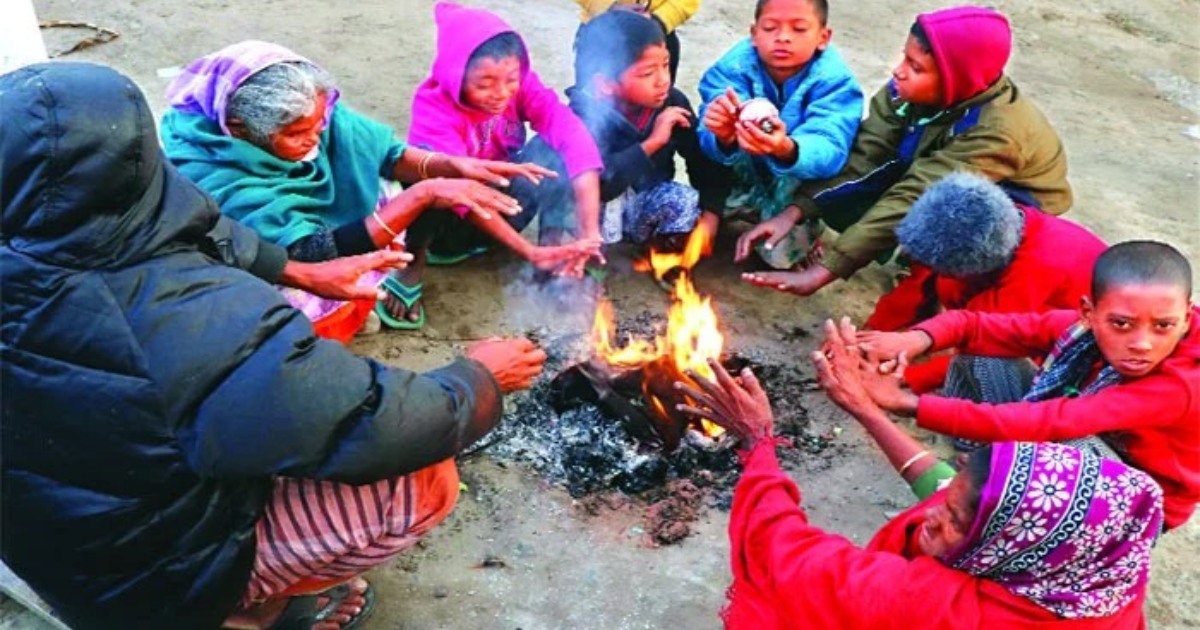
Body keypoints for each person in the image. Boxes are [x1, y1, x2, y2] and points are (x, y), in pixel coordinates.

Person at [1, 61, 548, 630]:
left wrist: (300, 272)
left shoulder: (49, 229)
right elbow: (368, 423)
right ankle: (248, 608)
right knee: (424, 481)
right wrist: (477, 380)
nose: (314, 138)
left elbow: (199, 226)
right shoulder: (188, 319)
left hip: (46, 536)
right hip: (143, 586)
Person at [673, 356, 1163, 628]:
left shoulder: (934, 608)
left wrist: (759, 444)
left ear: (1009, 549)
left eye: (952, 521)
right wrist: (866, 410)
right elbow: (947, 488)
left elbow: (779, 553)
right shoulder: (1097, 581)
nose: (930, 516)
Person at [161, 40, 596, 335]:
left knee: (410, 192)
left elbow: (387, 154)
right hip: (274, 254)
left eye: (319, 124)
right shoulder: (211, 167)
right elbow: (310, 251)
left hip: (327, 229)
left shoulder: (310, 106)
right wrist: (424, 193)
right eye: (296, 135)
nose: (314, 139)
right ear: (238, 128)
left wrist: (449, 165)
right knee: (288, 309)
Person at [854, 240, 1199, 530]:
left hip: (1142, 506)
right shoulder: (1080, 329)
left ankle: (1003, 504)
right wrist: (916, 339)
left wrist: (910, 404)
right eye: (1122, 324)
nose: (1142, 343)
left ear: (1185, 319)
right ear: (1088, 312)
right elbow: (976, 327)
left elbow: (1052, 422)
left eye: (1163, 326)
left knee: (1062, 443)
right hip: (1088, 440)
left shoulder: (1183, 384)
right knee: (978, 360)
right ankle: (987, 477)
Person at [739, 6, 1072, 297]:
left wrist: (828, 269)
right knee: (851, 179)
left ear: (956, 80)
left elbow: (914, 196)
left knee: (952, 220)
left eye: (916, 67)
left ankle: (940, 288)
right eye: (904, 57)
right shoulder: (904, 92)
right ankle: (906, 257)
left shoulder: (997, 133)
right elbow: (866, 157)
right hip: (930, 170)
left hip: (1014, 207)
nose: (899, 71)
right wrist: (796, 210)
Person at [408, 2, 605, 289]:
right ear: (456, 74)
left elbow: (571, 134)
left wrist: (590, 232)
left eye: (511, 80)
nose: (501, 94)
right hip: (448, 226)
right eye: (484, 83)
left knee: (552, 150)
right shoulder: (433, 107)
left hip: (503, 205)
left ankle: (554, 247)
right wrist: (527, 251)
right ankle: (414, 260)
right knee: (429, 176)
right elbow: (461, 191)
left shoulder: (520, 85)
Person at [863, 172, 1107, 393]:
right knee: (947, 285)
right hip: (1012, 283)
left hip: (1083, 352)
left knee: (983, 365)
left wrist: (904, 377)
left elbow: (988, 342)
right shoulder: (990, 220)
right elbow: (921, 280)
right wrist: (870, 335)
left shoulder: (1035, 269)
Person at [698, 0, 862, 270]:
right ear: (753, 34)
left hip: (791, 188)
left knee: (781, 256)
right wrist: (722, 135)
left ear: (823, 38)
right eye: (770, 27)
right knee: (692, 222)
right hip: (740, 175)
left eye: (798, 29)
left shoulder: (836, 82)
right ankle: (732, 207)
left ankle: (803, 226)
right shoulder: (732, 68)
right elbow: (707, 129)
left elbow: (831, 146)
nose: (783, 37)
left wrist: (787, 148)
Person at [568, 10, 730, 264]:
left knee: (684, 200)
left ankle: (662, 260)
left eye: (665, 65)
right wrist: (652, 143)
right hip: (595, 213)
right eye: (647, 74)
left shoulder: (672, 103)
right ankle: (586, 266)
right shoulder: (584, 115)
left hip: (643, 210)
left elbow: (702, 161)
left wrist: (712, 214)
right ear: (606, 84)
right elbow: (599, 185)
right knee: (567, 203)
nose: (663, 81)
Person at [574, 0, 700, 83]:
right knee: (590, 107)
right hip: (602, 30)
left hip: (658, 31)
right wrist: (610, 6)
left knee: (655, 109)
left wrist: (657, 21)